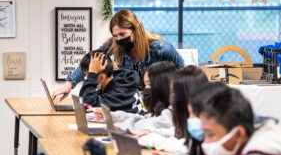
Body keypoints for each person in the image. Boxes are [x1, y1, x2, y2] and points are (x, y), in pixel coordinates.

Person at [52, 9, 184, 101]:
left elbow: (182, 72)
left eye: (123, 34)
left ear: (135, 31)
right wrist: (69, 84)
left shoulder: (161, 48)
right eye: (115, 35)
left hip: (157, 101)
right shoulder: (114, 44)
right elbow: (92, 60)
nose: (118, 39)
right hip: (131, 101)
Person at [150, 65, 210, 155]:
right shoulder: (192, 114)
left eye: (174, 92)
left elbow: (194, 151)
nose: (172, 96)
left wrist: (155, 141)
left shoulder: (210, 118)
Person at [103, 61, 177, 137]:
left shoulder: (176, 106)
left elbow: (161, 123)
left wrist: (127, 125)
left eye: (149, 84)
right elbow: (146, 118)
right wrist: (111, 116)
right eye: (145, 85)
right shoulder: (164, 104)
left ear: (162, 84)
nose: (146, 89)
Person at [79, 50, 145, 114]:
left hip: (138, 124)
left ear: (102, 78)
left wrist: (92, 75)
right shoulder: (115, 81)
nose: (87, 79)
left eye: (89, 76)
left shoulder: (119, 92)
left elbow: (87, 106)